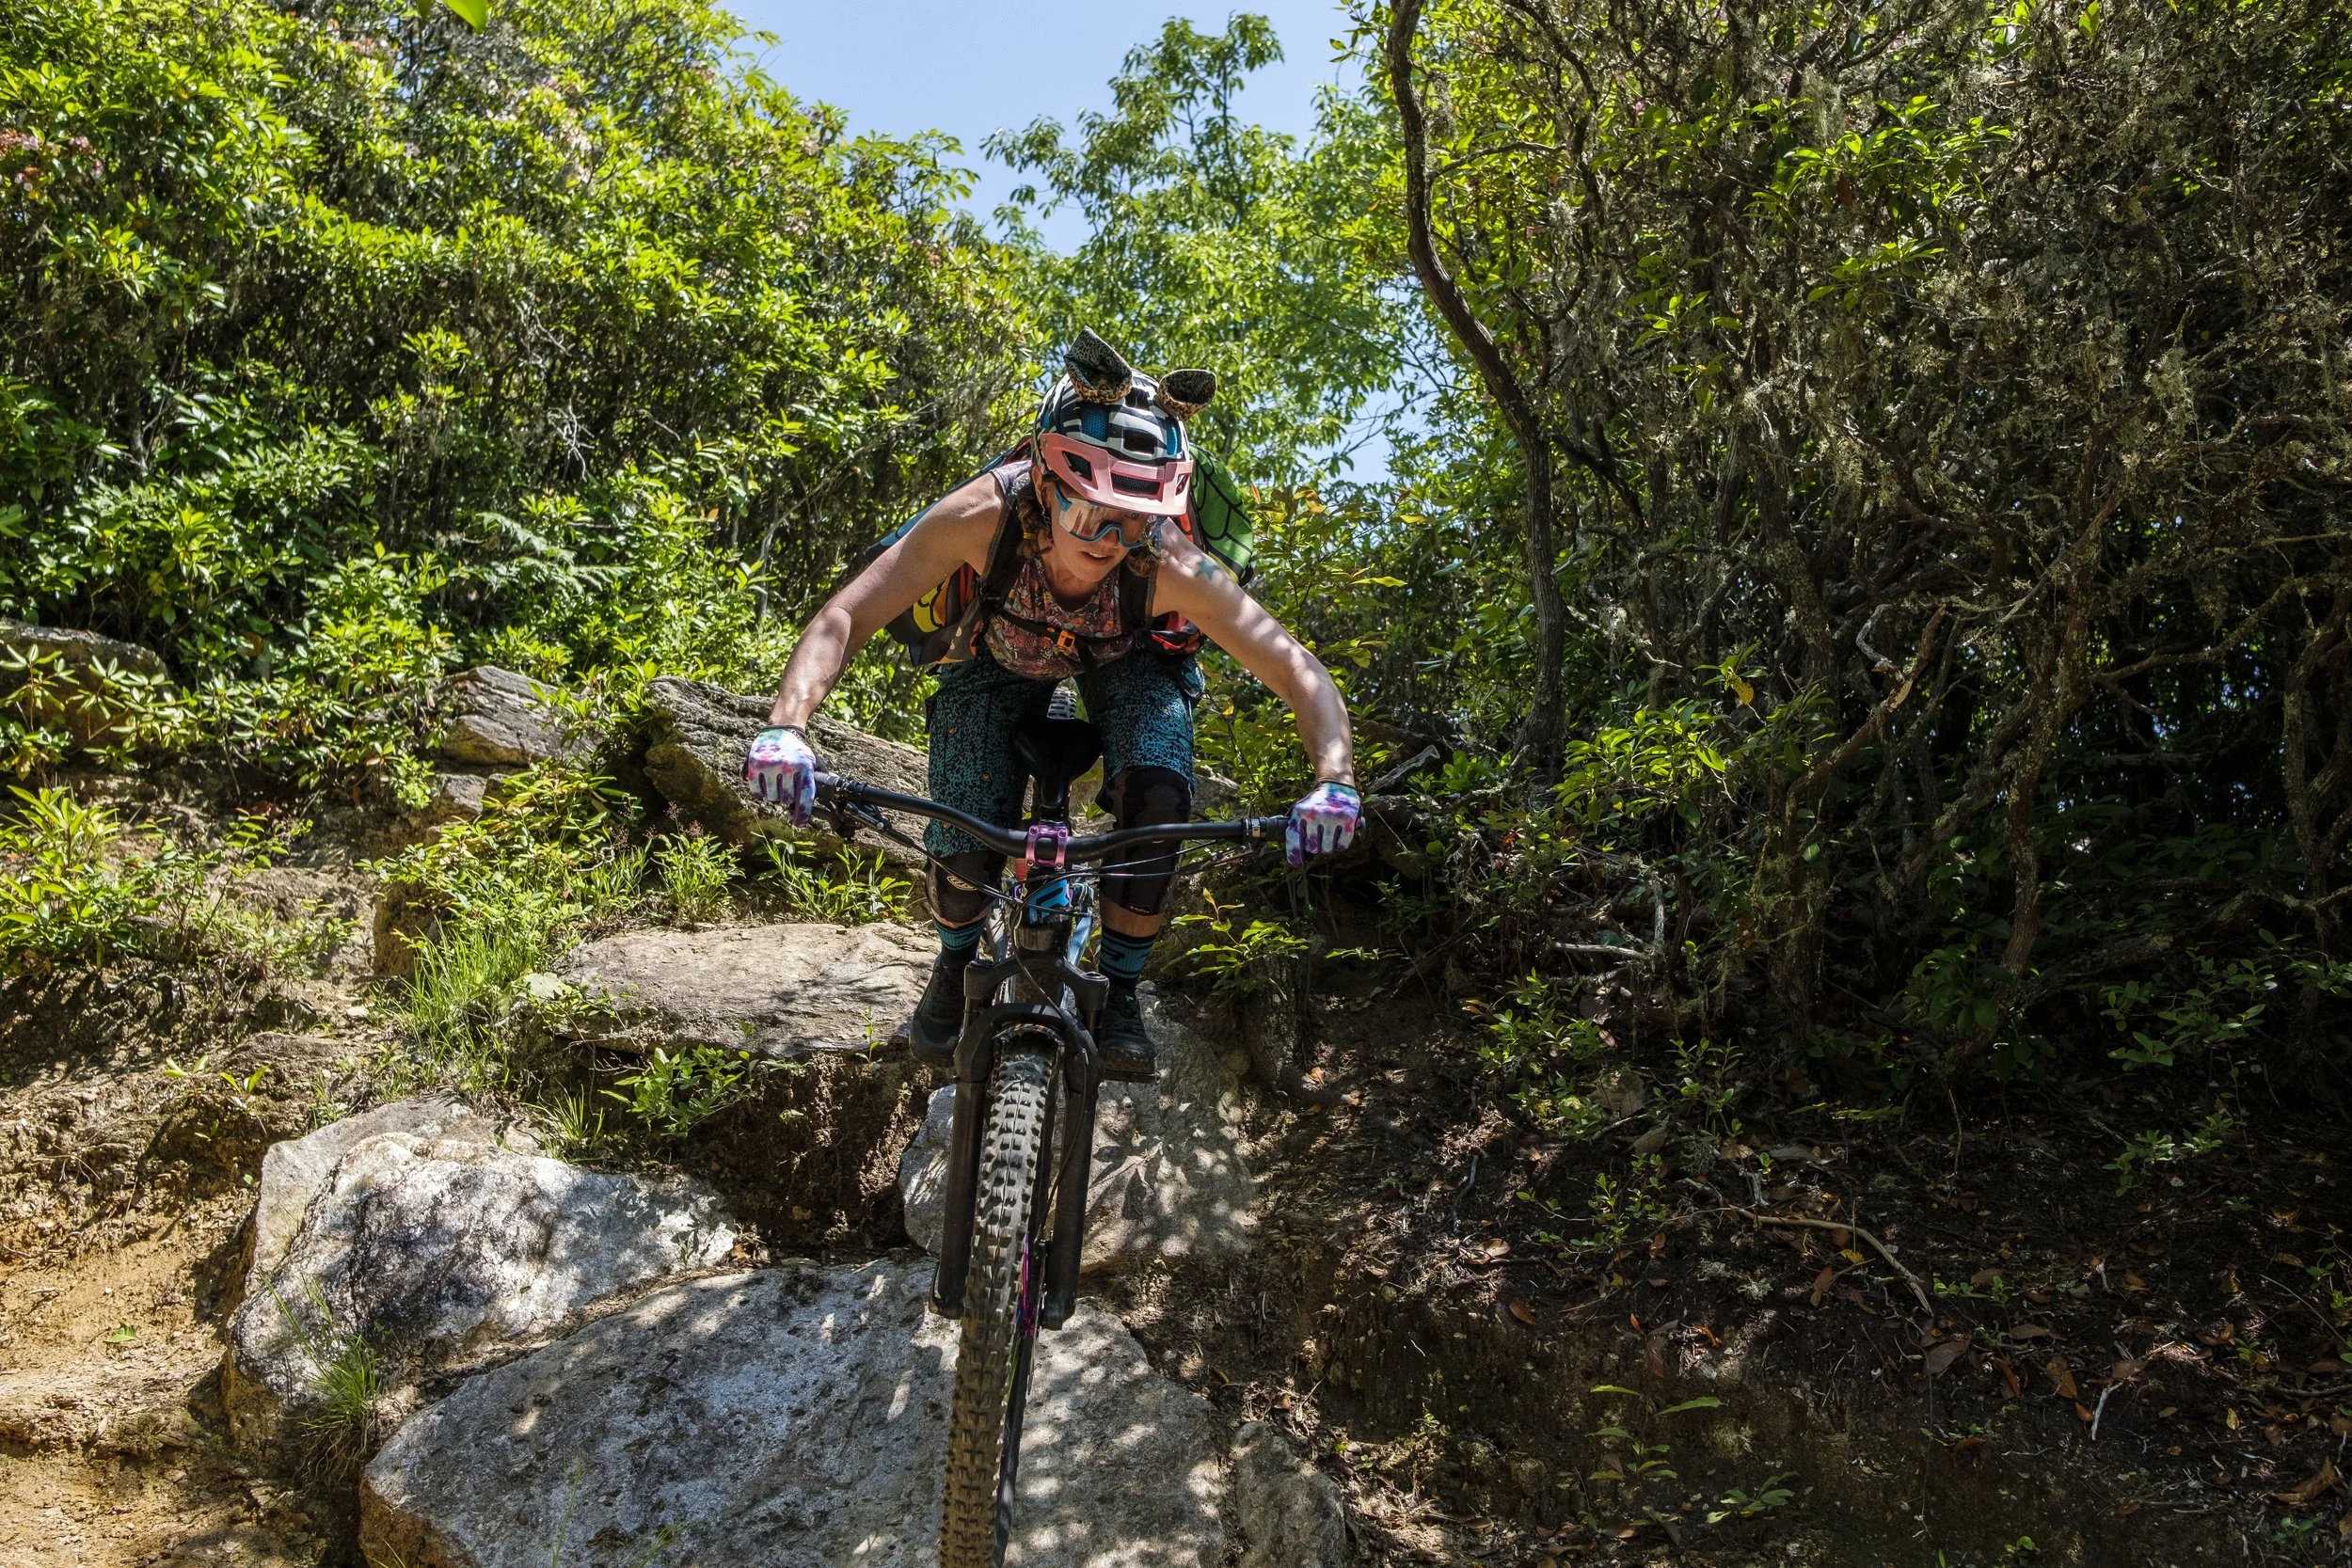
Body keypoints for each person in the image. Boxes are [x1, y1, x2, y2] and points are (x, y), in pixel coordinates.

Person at [745, 332, 1359, 1080]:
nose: (1112, 540)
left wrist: (1335, 780)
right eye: (1092, 512)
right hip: (996, 654)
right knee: (965, 826)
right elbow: (847, 615)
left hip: (1128, 662)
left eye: (1135, 519)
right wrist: (786, 727)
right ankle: (955, 959)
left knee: (1160, 795)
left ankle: (1121, 988)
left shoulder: (1166, 563)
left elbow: (1296, 669)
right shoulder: (981, 518)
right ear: (1044, 480)